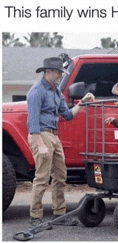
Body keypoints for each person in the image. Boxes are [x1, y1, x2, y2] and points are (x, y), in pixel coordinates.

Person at [27, 57, 95, 229]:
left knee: (60, 176)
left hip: (54, 137)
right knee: (42, 177)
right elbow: (32, 122)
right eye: (58, 73)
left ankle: (60, 214)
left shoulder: (55, 91)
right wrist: (40, 144)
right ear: (48, 72)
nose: (60, 76)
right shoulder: (37, 91)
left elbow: (68, 114)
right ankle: (35, 217)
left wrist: (83, 103)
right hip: (41, 135)